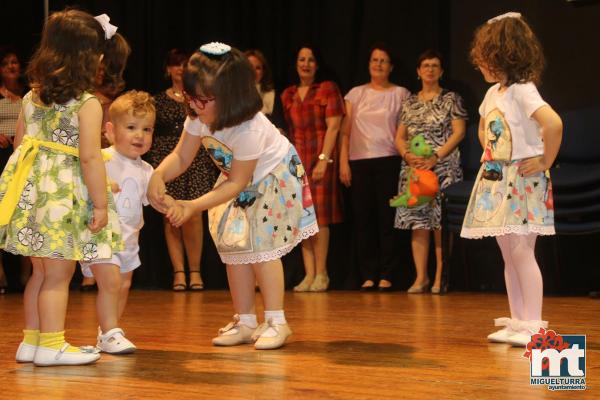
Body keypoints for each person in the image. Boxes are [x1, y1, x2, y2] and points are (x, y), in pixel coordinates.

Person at [148, 42, 318, 350]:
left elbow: (237, 183)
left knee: (261, 248)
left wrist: (191, 206)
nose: (195, 105)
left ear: (231, 95)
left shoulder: (248, 128)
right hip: (237, 180)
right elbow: (182, 157)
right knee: (234, 247)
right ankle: (245, 320)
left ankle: (277, 321)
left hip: (271, 179)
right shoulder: (198, 115)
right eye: (191, 96)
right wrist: (157, 175)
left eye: (202, 98)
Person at [0, 9, 123, 366]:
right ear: (89, 58)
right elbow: (89, 158)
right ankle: (52, 344)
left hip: (32, 194)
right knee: (59, 273)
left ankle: (32, 342)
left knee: (40, 272)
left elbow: (22, 145)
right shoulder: (87, 104)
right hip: (60, 199)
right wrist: (100, 205)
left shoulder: (30, 98)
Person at [461, 12, 562, 347]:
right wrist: (489, 149)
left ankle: (533, 324)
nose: (480, 65)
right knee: (508, 252)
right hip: (498, 177)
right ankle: (518, 321)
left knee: (521, 251)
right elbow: (483, 125)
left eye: (484, 58)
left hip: (522, 179)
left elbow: (553, 124)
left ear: (502, 56)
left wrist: (545, 159)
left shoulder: (523, 91)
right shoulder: (494, 94)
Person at [80, 90, 160, 354]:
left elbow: (155, 198)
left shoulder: (147, 170)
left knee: (123, 285)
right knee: (111, 283)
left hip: (129, 239)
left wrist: (172, 205)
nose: (140, 135)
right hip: (101, 236)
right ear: (111, 131)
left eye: (147, 129)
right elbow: (83, 179)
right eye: (132, 127)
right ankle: (111, 331)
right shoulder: (102, 158)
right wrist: (102, 184)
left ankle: (107, 332)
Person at [393, 50, 467, 294]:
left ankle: (439, 277)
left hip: (443, 168)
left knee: (439, 223)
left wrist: (436, 156)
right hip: (414, 170)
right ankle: (420, 277)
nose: (430, 69)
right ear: (418, 71)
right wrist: (406, 154)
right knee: (418, 223)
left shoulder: (451, 98)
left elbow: (459, 132)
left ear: (441, 71)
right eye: (425, 65)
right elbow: (400, 137)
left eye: (435, 65)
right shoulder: (410, 102)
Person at [145, 49, 219, 291]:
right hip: (169, 157)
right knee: (172, 214)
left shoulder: (199, 100)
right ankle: (178, 271)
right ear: (168, 69)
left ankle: (195, 271)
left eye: (183, 64)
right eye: (174, 64)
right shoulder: (157, 100)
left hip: (196, 159)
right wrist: (157, 170)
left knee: (194, 213)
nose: (179, 69)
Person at [339, 43, 410, 291]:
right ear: (369, 65)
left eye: (383, 60)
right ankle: (368, 273)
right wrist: (343, 163)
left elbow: (407, 130)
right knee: (363, 220)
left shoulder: (401, 93)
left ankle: (388, 273)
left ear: (390, 67)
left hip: (389, 161)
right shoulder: (355, 94)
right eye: (374, 60)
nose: (378, 64)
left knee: (387, 219)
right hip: (359, 162)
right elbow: (345, 133)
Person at [281, 45, 344, 292]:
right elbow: (288, 131)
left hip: (320, 160)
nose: (306, 64)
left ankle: (322, 272)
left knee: (320, 219)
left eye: (310, 60)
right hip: (296, 163)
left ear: (317, 65)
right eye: (301, 59)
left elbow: (334, 127)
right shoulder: (288, 94)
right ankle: (308, 274)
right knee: (301, 219)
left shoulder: (327, 89)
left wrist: (323, 159)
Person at [80, 31, 131, 292]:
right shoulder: (84, 102)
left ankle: (105, 262)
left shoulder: (104, 102)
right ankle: (91, 266)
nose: (102, 72)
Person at [0, 47, 30, 293]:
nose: (12, 66)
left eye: (15, 62)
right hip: (1, 156)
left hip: (22, 156)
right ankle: (3, 274)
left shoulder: (29, 95)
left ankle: (25, 274)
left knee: (22, 214)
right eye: (6, 63)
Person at [245, 49, 275, 116]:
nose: (253, 71)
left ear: (263, 72)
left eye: (258, 68)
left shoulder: (272, 95)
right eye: (250, 66)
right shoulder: (233, 95)